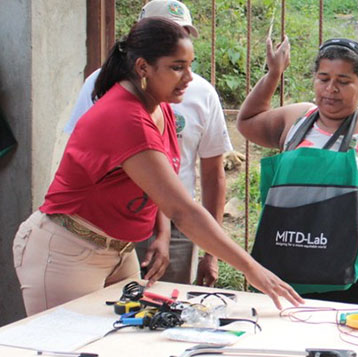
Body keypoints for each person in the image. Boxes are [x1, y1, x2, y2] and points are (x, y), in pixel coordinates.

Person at [11, 17, 302, 317]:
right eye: (177, 67)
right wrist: (252, 269)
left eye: (190, 65)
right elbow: (182, 210)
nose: (189, 77)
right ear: (142, 68)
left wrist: (161, 234)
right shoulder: (126, 117)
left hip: (119, 253)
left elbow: (160, 188)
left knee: (124, 350)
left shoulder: (158, 106)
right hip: (67, 252)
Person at [236, 36, 358, 307]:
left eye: (343, 81)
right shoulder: (297, 120)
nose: (331, 89)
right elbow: (247, 122)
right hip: (293, 258)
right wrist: (274, 74)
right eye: (323, 78)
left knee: (353, 344)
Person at [63, 0, 232, 287]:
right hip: (107, 223)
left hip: (178, 222)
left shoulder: (197, 93)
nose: (173, 44)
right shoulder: (102, 85)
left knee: (163, 313)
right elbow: (78, 156)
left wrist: (210, 253)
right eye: (162, 35)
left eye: (180, 35)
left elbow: (212, 174)